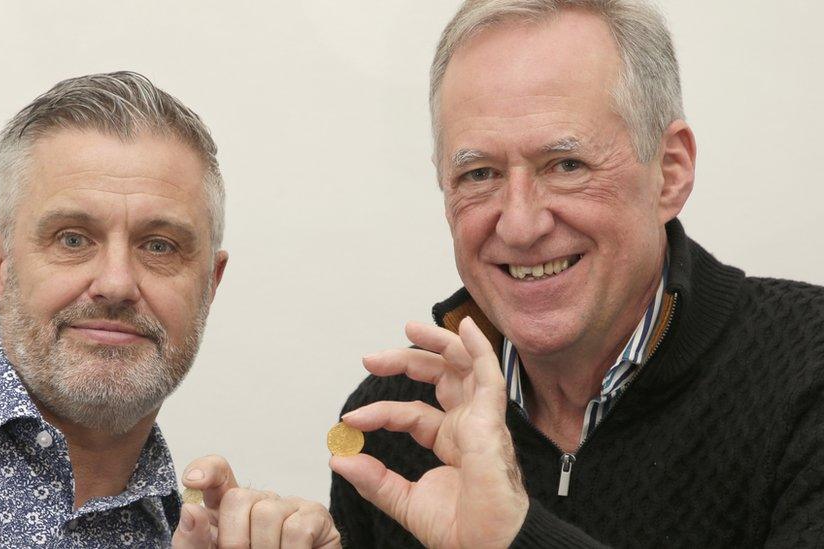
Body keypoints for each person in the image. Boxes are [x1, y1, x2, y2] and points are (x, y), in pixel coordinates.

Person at [328, 1, 824, 547]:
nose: (519, 225)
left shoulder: (807, 373)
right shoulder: (396, 424)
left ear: (670, 172)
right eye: (479, 173)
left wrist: (513, 537)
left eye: (566, 165)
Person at [0, 71, 339, 548]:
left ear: (211, 285)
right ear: (1, 265)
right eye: (73, 238)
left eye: (160, 246)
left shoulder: (200, 536)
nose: (116, 284)